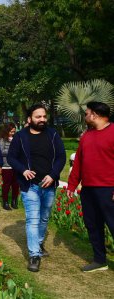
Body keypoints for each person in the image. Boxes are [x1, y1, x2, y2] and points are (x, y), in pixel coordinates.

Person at [7, 104, 66, 272]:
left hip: (49, 184)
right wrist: (23, 170)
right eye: (38, 117)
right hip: (30, 186)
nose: (42, 120)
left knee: (44, 218)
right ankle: (34, 255)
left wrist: (53, 175)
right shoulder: (20, 137)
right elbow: (11, 158)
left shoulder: (53, 134)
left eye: (44, 116)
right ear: (29, 119)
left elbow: (61, 157)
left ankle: (39, 243)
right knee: (33, 220)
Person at [67, 101, 114, 273]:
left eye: (86, 113)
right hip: (88, 189)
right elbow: (78, 162)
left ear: (94, 114)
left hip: (109, 189)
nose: (85, 116)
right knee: (93, 225)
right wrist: (71, 185)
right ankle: (100, 260)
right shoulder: (87, 136)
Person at [0, 122, 19, 210]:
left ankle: (14, 201)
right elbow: (0, 151)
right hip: (6, 166)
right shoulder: (2, 140)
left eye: (14, 132)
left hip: (16, 165)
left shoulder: (16, 139)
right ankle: (5, 202)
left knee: (16, 184)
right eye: (11, 132)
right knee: (6, 184)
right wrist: (11, 151)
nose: (12, 133)